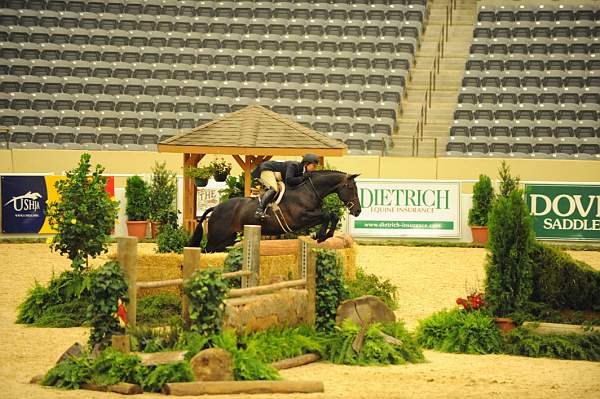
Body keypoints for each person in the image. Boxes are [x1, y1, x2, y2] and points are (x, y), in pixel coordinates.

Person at [251, 153, 320, 219]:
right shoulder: (293, 165)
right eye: (314, 166)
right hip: (267, 169)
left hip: (275, 174)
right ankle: (259, 211)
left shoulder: (302, 171)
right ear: (306, 164)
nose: (315, 168)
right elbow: (289, 180)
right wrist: (302, 178)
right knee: (274, 189)